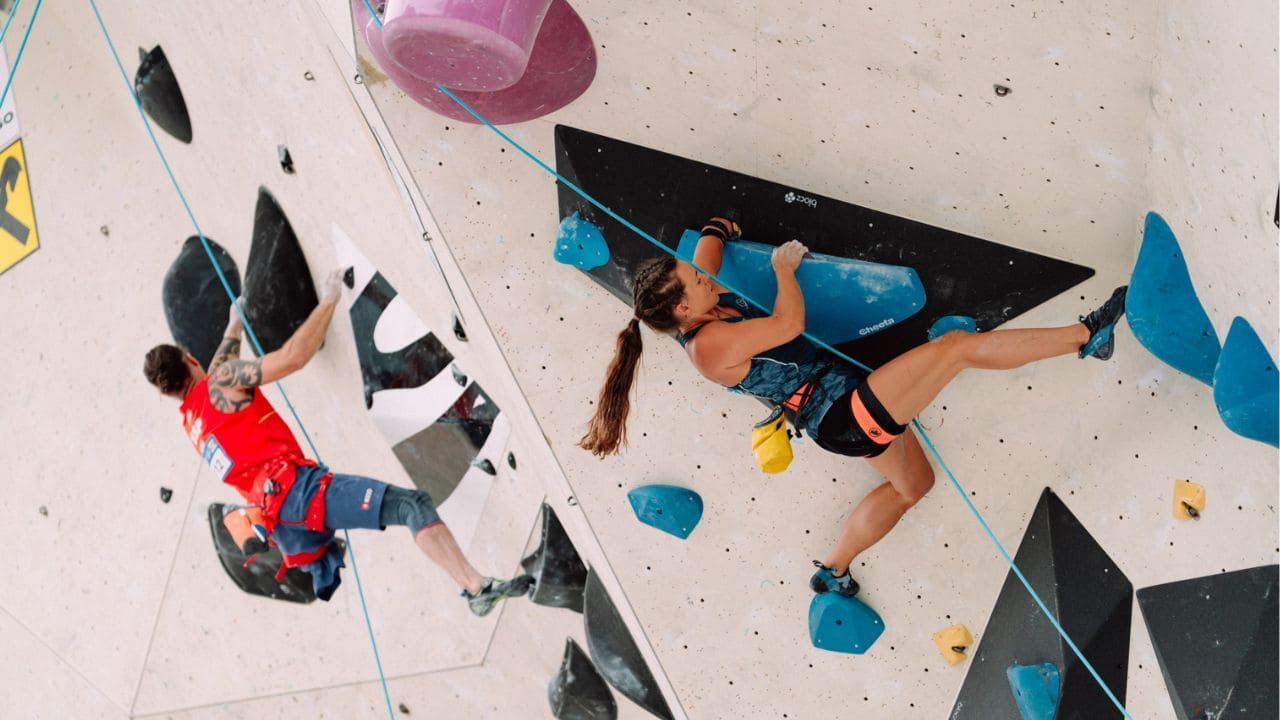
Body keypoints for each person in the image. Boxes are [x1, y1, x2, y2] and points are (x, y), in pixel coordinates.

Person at [580, 217, 1127, 597]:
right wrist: (784, 271)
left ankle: (834, 569)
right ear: (682, 307)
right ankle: (1087, 336)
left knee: (915, 487)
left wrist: (721, 228)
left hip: (842, 414)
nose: (704, 276)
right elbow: (788, 326)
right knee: (954, 351)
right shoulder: (708, 348)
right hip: (842, 414)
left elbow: (706, 247)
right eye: (696, 281)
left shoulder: (695, 303)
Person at [144, 268, 531, 615]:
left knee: (411, 506)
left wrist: (235, 324)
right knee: (411, 506)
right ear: (190, 359)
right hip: (297, 492)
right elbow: (293, 357)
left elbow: (218, 369)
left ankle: (475, 587)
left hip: (283, 522)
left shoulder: (193, 419)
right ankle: (475, 588)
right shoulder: (223, 381)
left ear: (169, 393)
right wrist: (329, 299)